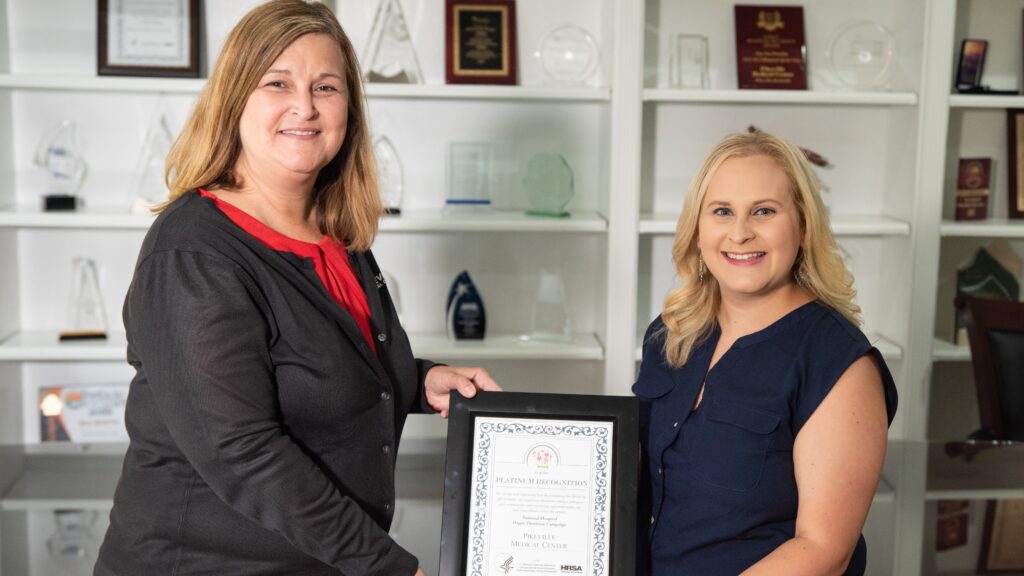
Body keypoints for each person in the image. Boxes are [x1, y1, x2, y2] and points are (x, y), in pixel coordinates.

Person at [94, 2, 499, 575]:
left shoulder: (334, 232)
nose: (305, 107)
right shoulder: (193, 252)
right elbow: (242, 452)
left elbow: (319, 363)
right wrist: (388, 566)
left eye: (326, 87)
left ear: (349, 108)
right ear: (235, 98)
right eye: (277, 83)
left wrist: (420, 377)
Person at [633, 130, 898, 575]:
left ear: (803, 227)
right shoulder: (670, 334)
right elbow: (635, 474)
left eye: (764, 211)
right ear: (698, 230)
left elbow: (823, 552)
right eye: (721, 211)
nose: (740, 233)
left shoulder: (838, 363)